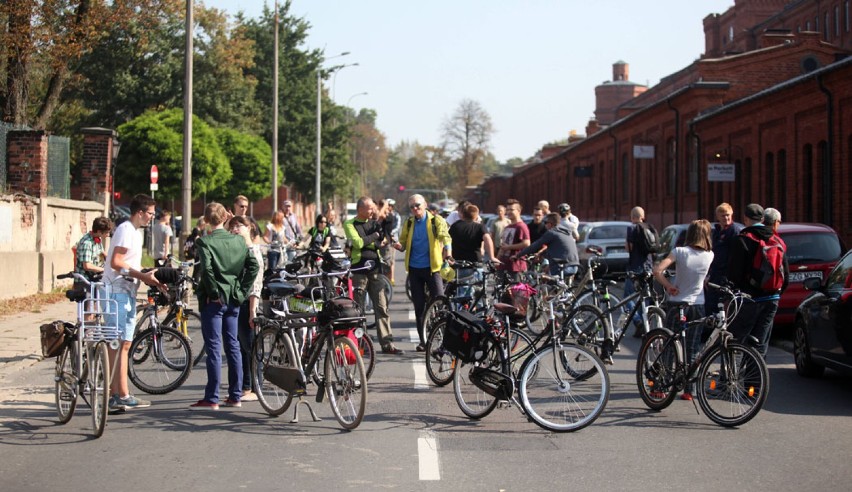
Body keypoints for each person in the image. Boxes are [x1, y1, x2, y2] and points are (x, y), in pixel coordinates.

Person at [191, 202, 259, 410]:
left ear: (206, 220)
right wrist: (240, 290)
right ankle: (235, 395)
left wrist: (212, 293)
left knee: (214, 347)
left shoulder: (205, 242)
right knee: (233, 346)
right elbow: (253, 265)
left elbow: (207, 271)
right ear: (224, 218)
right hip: (234, 297)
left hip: (215, 299)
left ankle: (212, 398)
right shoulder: (238, 241)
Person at [103, 194, 162, 411]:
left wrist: (146, 275)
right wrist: (142, 276)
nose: (151, 218)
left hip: (125, 292)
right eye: (150, 214)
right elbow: (116, 262)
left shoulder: (135, 233)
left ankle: (121, 393)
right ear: (140, 212)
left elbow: (127, 264)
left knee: (125, 344)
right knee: (115, 343)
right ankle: (113, 394)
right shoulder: (126, 230)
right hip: (115, 291)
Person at [653, 219, 714, 399]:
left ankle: (661, 386)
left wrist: (668, 286)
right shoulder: (710, 255)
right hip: (698, 304)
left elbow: (657, 270)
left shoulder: (679, 252)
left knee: (670, 344)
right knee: (692, 348)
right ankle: (689, 390)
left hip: (677, 303)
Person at [726, 204, 789, 358]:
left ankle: (728, 380)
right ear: (762, 219)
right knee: (759, 343)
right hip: (772, 298)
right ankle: (755, 381)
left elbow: (734, 273)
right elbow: (785, 274)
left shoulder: (743, 239)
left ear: (745, 218)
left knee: (737, 341)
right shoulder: (776, 240)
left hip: (749, 299)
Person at [394, 193, 452, 351]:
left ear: (425, 204)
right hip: (414, 270)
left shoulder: (436, 220)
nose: (415, 209)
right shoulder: (409, 223)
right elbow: (403, 244)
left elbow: (445, 237)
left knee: (440, 302)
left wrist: (448, 252)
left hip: (433, 270)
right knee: (419, 307)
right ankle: (423, 342)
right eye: (412, 206)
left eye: (417, 205)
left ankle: (444, 342)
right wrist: (395, 244)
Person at [345, 196, 403, 355]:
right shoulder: (350, 224)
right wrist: (374, 237)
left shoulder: (374, 223)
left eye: (373, 208)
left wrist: (373, 239)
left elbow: (380, 241)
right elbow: (357, 243)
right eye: (370, 208)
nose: (373, 210)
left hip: (376, 269)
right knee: (359, 310)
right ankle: (359, 344)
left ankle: (387, 344)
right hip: (359, 271)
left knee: (382, 307)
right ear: (360, 209)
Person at [228, 215, 264, 403]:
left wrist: (252, 311)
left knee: (249, 348)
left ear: (250, 229)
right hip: (238, 303)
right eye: (233, 227)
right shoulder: (240, 250)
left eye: (239, 227)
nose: (235, 230)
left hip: (248, 304)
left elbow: (255, 286)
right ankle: (246, 386)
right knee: (242, 347)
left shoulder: (253, 251)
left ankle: (253, 387)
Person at [705, 202, 743, 313]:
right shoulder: (716, 231)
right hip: (715, 274)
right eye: (723, 215)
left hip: (726, 276)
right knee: (711, 307)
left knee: (721, 308)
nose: (726, 218)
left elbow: (736, 256)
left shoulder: (734, 231)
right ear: (718, 217)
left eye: (728, 215)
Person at [517, 212, 580, 280]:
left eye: (545, 222)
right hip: (575, 266)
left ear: (550, 224)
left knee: (548, 282)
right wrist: (541, 254)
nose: (545, 225)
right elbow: (557, 249)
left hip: (563, 267)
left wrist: (518, 255)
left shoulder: (552, 233)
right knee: (555, 283)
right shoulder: (566, 233)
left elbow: (536, 245)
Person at [624, 206, 654, 336]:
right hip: (648, 266)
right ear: (643, 216)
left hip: (635, 266)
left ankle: (637, 321)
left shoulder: (632, 228)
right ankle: (644, 324)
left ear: (632, 217)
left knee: (627, 297)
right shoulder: (650, 227)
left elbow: (628, 248)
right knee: (645, 297)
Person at [495, 199, 531, 281]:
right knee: (501, 291)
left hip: (516, 267)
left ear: (519, 211)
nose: (509, 212)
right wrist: (496, 260)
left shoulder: (521, 226)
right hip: (503, 265)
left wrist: (509, 247)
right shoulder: (507, 227)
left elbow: (527, 243)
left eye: (512, 209)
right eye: (507, 210)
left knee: (517, 292)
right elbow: (503, 246)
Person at [74, 216, 112, 290]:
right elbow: (87, 266)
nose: (108, 235)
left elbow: (102, 253)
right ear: (98, 231)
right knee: (92, 300)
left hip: (95, 278)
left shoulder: (97, 239)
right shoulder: (87, 243)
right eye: (106, 232)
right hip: (85, 281)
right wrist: (104, 270)